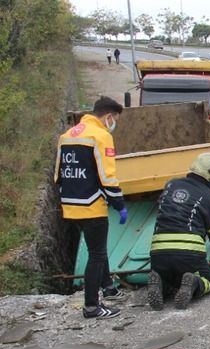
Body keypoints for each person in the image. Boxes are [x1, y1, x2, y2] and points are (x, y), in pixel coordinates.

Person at [55, 96, 126, 319]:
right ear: (108, 116)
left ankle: (109, 287)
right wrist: (119, 204)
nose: (113, 122)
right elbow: (107, 176)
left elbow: (58, 175)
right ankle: (92, 306)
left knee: (98, 248)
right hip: (92, 205)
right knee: (96, 255)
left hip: (70, 206)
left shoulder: (67, 136)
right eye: (114, 118)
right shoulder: (101, 136)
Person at [147, 153, 210, 310]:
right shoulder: (209, 198)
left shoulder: (171, 184)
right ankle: (195, 282)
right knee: (208, 280)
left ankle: (160, 283)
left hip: (158, 250)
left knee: (170, 278)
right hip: (189, 252)